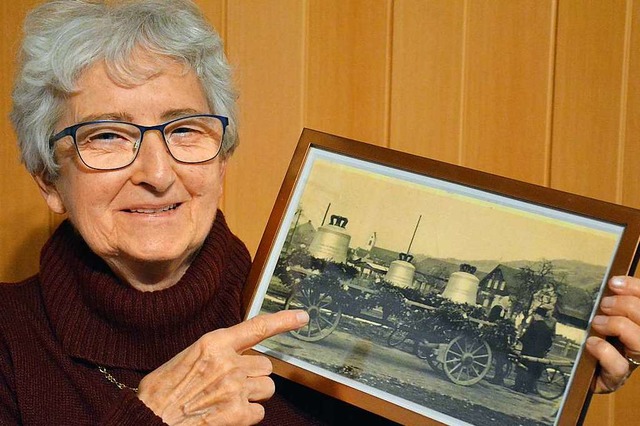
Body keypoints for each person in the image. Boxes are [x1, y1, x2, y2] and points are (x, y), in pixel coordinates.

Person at [1, 1, 639, 424]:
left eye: (185, 129)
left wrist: (542, 402)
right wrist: (152, 417)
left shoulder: (307, 343)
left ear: (221, 156)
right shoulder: (7, 344)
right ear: (49, 182)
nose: (158, 171)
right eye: (106, 136)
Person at [512, 305, 556, 394]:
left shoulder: (534, 326)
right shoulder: (547, 328)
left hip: (528, 351)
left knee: (522, 367)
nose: (534, 316)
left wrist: (519, 340)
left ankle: (518, 386)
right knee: (532, 371)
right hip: (538, 354)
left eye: (535, 314)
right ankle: (527, 388)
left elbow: (525, 338)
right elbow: (549, 342)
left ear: (538, 315)